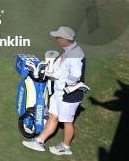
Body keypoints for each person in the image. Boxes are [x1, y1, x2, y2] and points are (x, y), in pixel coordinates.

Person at [22, 26, 87, 156]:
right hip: (59, 93)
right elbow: (62, 67)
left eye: (58, 37)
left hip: (69, 95)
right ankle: (39, 142)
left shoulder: (75, 55)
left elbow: (75, 75)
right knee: (53, 116)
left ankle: (66, 147)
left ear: (65, 39)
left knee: (67, 122)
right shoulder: (69, 50)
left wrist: (60, 78)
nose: (56, 39)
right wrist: (51, 69)